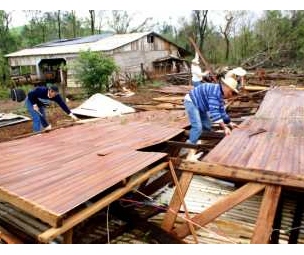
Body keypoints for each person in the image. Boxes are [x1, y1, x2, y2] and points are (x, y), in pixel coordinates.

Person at [183, 77, 239, 147]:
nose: (230, 94)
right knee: (197, 127)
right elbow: (215, 113)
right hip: (192, 102)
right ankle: (190, 145)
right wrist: (224, 127)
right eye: (231, 91)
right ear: (226, 87)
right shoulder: (215, 93)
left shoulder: (220, 94)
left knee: (207, 125)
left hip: (200, 105)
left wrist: (229, 123)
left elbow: (221, 111)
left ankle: (204, 140)